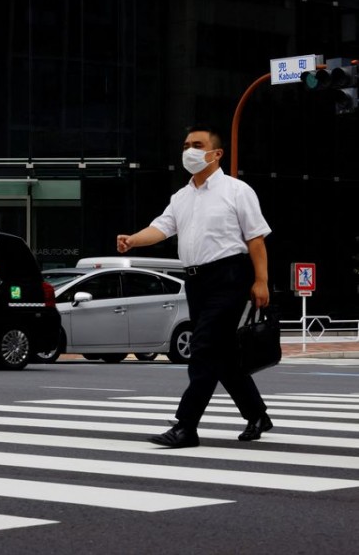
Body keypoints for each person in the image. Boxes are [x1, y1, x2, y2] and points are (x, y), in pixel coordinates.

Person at [116, 124, 273, 448]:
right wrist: (132, 240)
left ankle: (186, 426)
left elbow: (255, 239)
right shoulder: (181, 197)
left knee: (203, 347)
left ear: (216, 154)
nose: (189, 150)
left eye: (197, 144)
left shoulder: (236, 190)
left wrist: (261, 281)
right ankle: (257, 415)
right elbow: (160, 228)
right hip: (196, 280)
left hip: (229, 276)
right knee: (224, 356)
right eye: (186, 144)